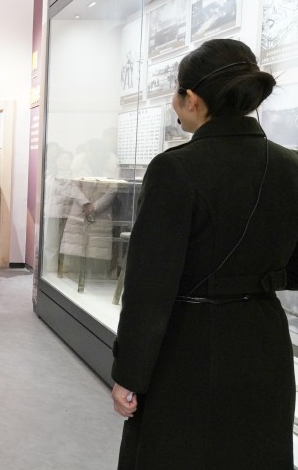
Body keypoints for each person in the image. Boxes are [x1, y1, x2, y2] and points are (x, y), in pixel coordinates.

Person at [111, 38, 298, 468]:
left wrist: (129, 375)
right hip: (264, 342)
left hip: (188, 348)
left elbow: (149, 286)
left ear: (192, 98)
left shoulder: (175, 168)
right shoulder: (291, 167)